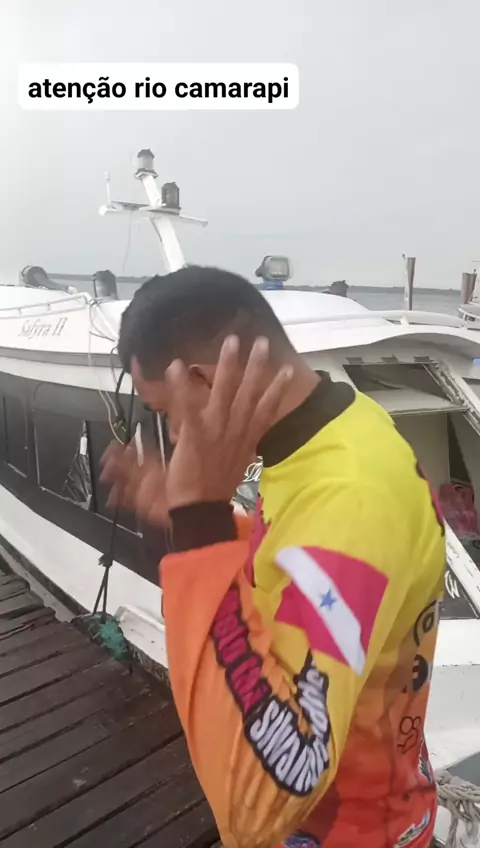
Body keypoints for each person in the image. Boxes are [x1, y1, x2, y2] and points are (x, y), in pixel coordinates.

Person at [101, 266, 445, 848]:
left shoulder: (349, 497)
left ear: (205, 382)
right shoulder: (341, 427)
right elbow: (300, 565)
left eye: (166, 413)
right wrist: (191, 516)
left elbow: (262, 802)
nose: (175, 436)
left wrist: (201, 520)